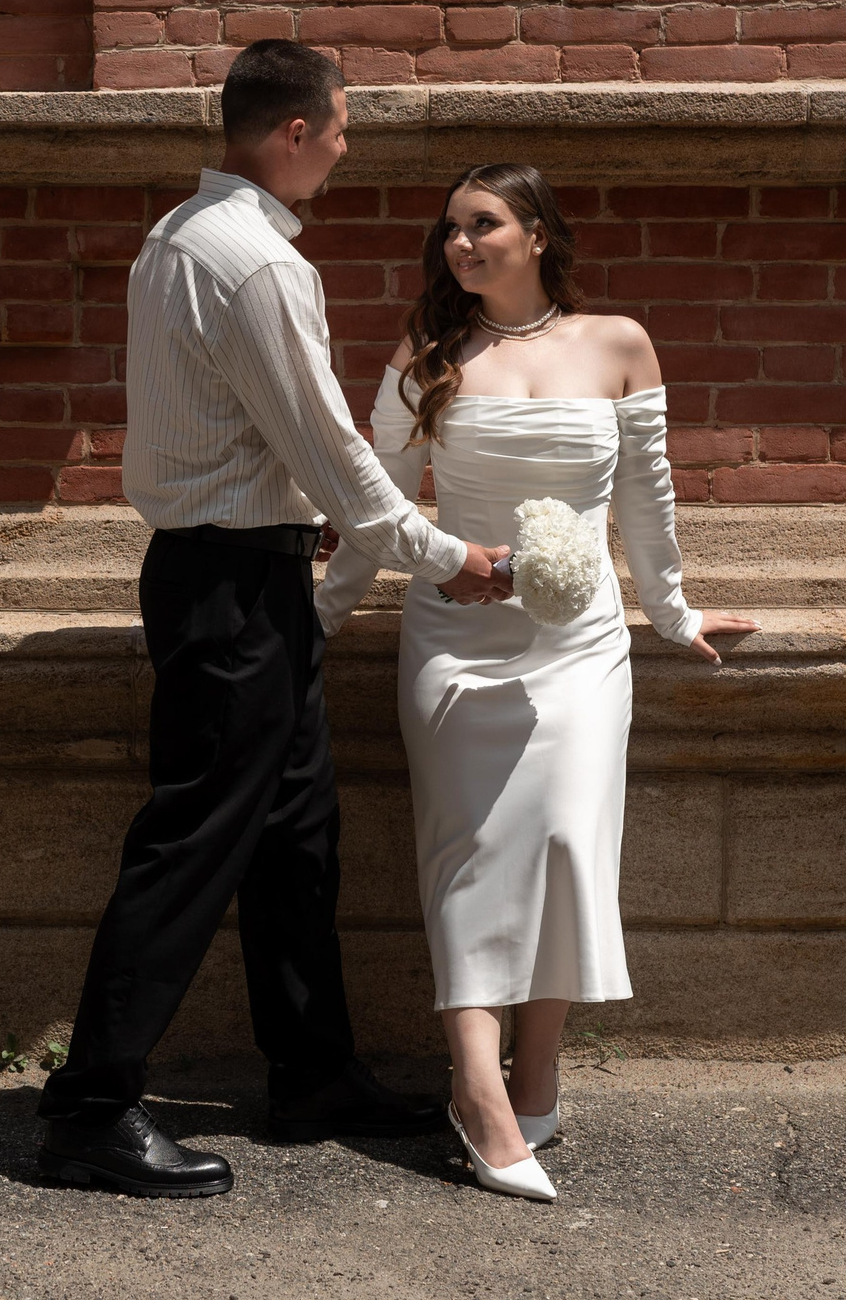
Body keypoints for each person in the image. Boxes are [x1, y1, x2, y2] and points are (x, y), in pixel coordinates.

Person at [35, 41, 513, 1199]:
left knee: (296, 836)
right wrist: (443, 555)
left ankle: (310, 1072)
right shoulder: (251, 263)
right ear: (292, 131)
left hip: (242, 581)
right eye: (341, 127)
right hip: (232, 586)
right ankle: (90, 1106)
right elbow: (330, 449)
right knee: (194, 839)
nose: (347, 146)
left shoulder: (177, 238)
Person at [316, 162, 759, 1202]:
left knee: (566, 839)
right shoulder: (427, 356)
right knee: (465, 851)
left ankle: (537, 1068)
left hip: (580, 643)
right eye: (450, 231)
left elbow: (646, 495)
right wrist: (323, 611)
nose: (461, 245)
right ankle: (475, 1089)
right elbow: (372, 501)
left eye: (483, 225)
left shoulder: (617, 342)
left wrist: (675, 609)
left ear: (539, 234)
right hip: (455, 636)